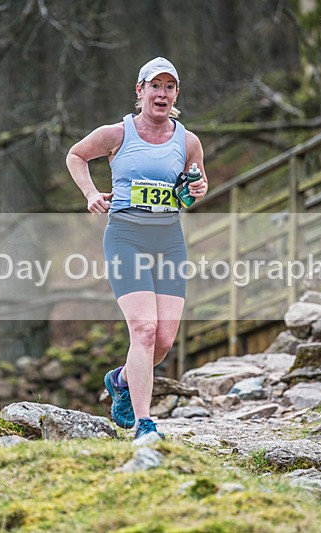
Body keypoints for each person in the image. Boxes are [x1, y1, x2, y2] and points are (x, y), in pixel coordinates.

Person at [66, 57, 208, 440]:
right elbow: (76, 156)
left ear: (176, 94)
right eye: (154, 86)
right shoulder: (117, 133)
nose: (161, 94)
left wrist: (195, 189)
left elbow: (196, 187)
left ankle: (121, 379)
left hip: (169, 240)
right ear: (139, 90)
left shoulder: (188, 141)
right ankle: (145, 425)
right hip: (126, 235)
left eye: (169, 87)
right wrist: (92, 193)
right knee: (144, 330)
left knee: (163, 340)